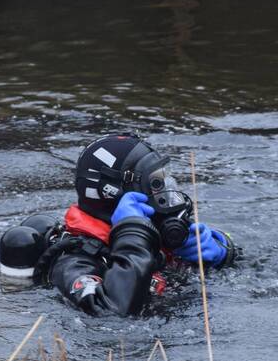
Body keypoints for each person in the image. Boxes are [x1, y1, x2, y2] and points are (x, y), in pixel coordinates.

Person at [29, 134, 237, 316]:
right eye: (155, 184)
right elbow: (110, 312)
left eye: (164, 180)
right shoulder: (72, 262)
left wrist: (223, 252)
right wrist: (133, 230)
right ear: (113, 192)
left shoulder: (158, 233)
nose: (165, 193)